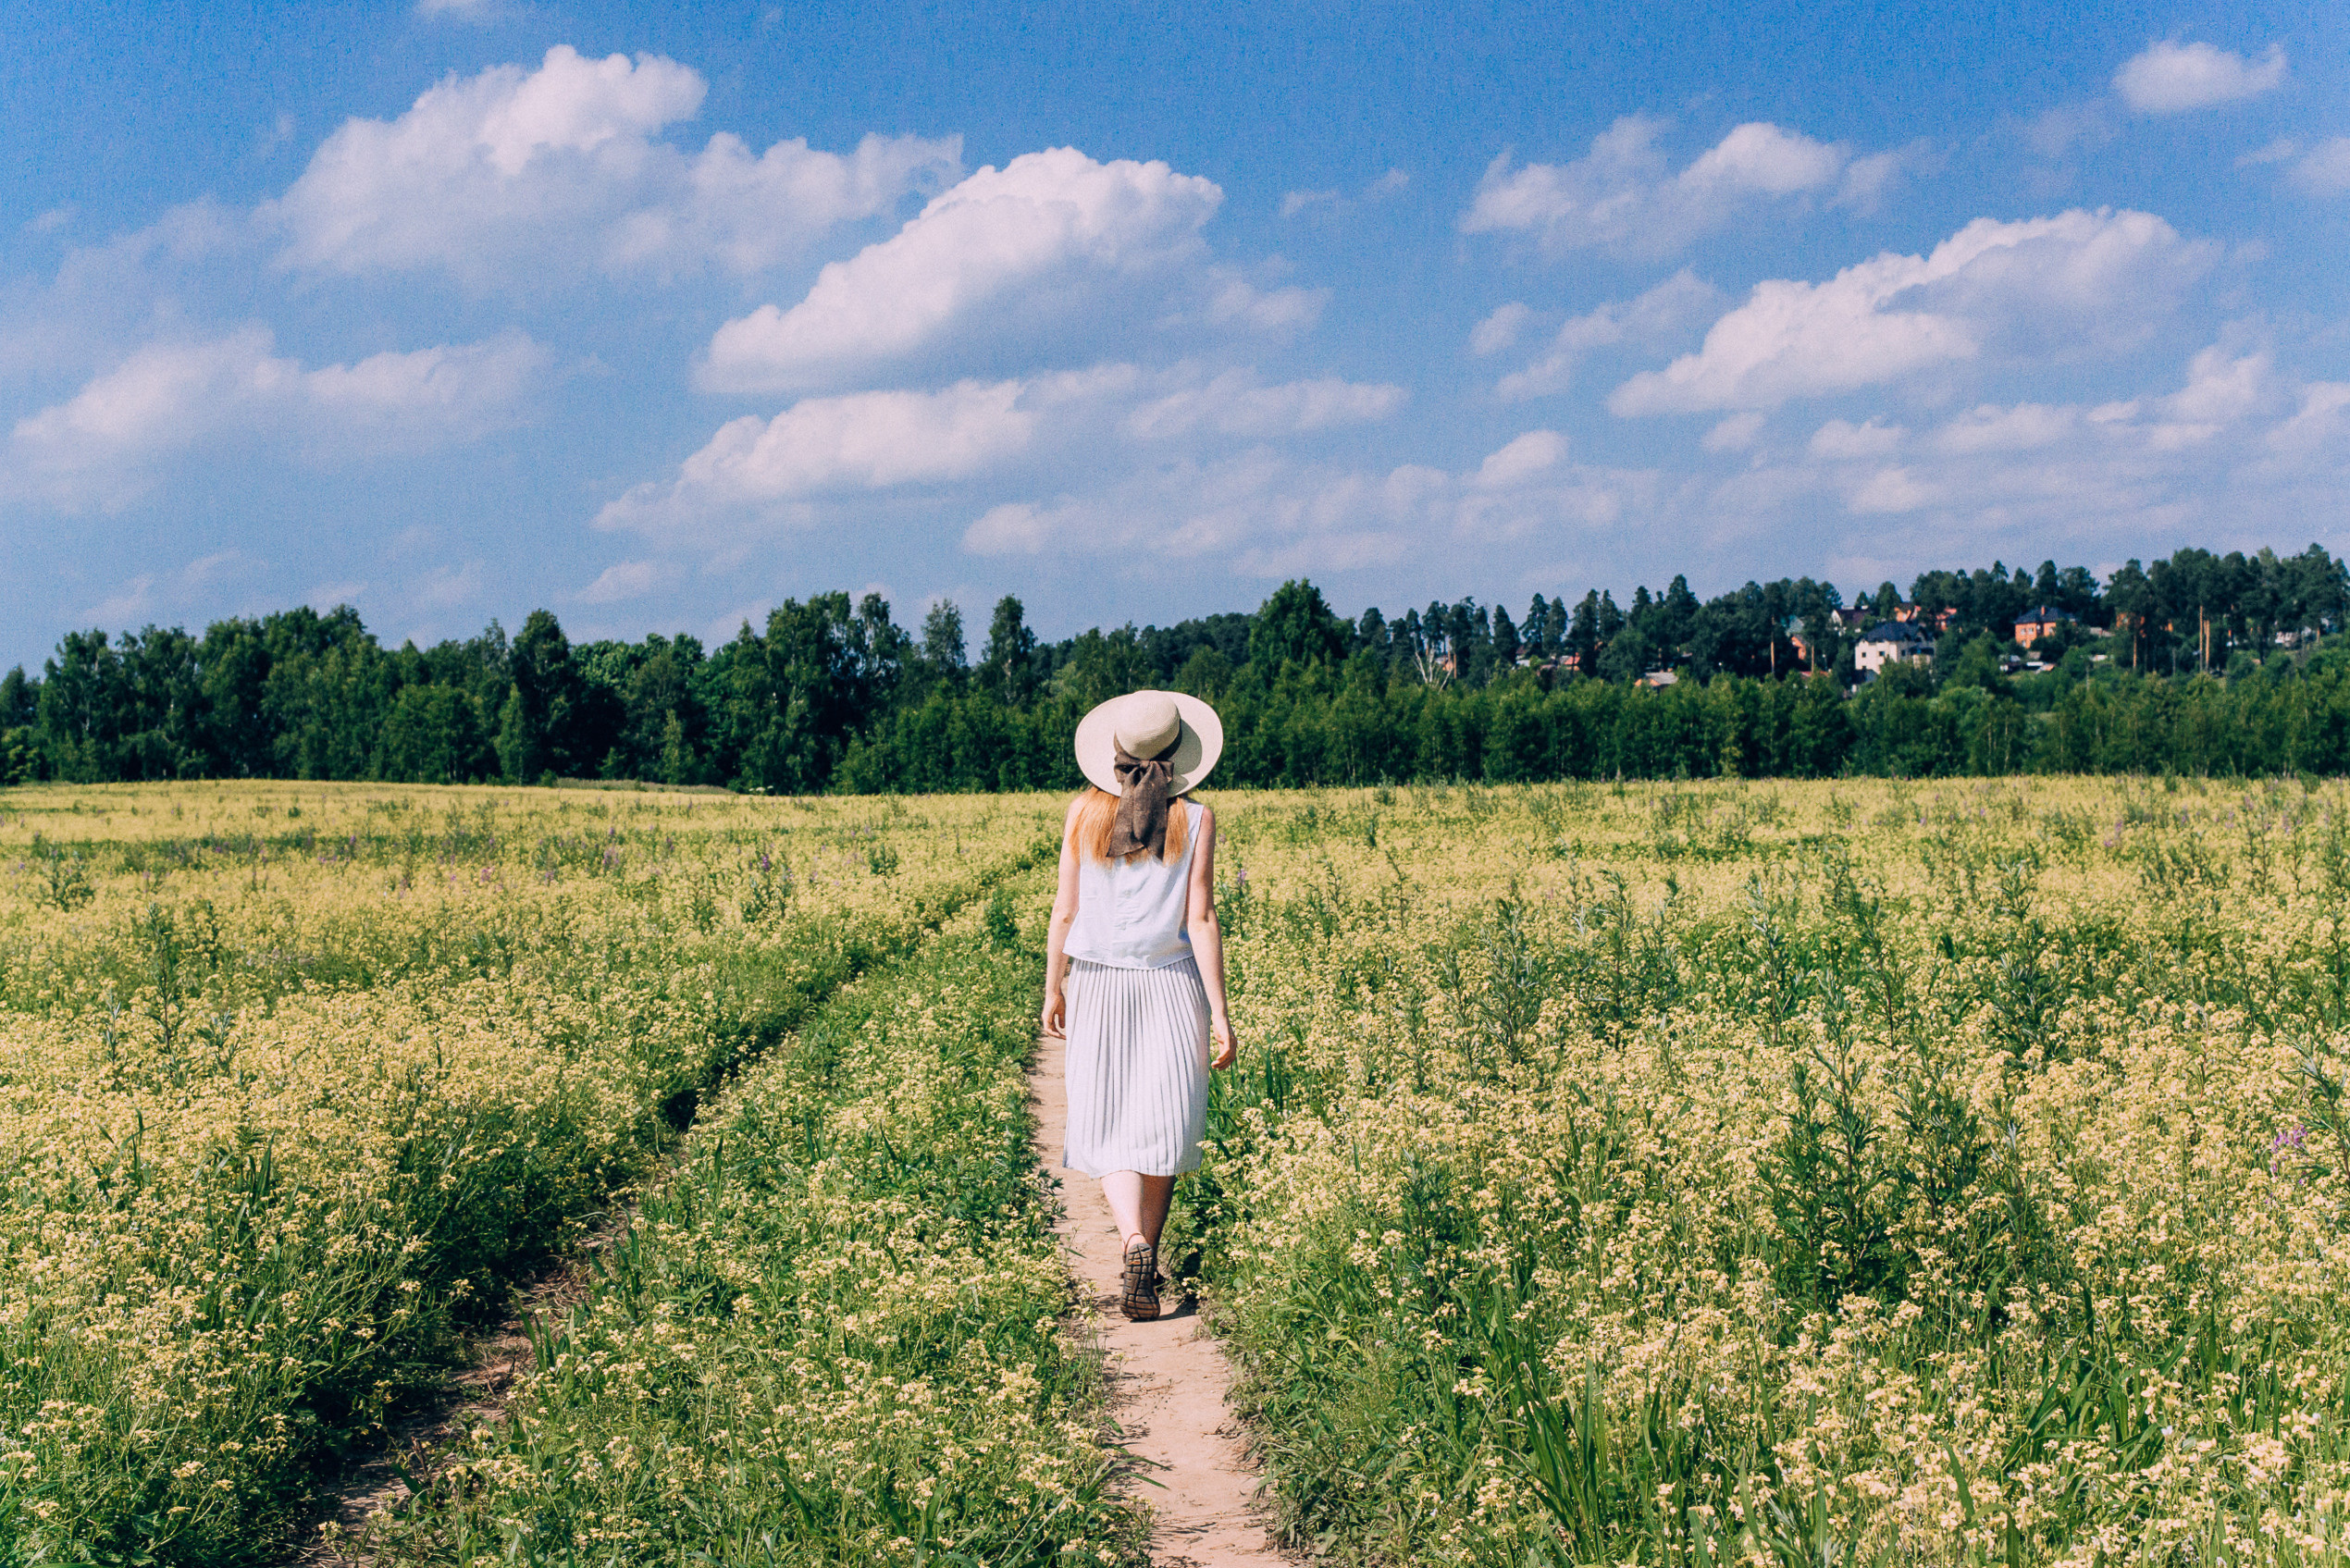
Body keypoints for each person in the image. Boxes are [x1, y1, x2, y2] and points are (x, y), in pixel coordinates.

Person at [1042, 688, 1236, 1322]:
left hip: (1098, 982)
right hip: (1172, 982)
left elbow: (1065, 909)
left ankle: (1132, 1243)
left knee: (1109, 1121)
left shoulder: (1081, 813)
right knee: (1163, 1124)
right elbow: (1200, 917)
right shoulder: (1197, 818)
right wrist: (1222, 1013)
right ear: (1178, 756)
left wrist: (1053, 985)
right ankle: (1146, 1251)